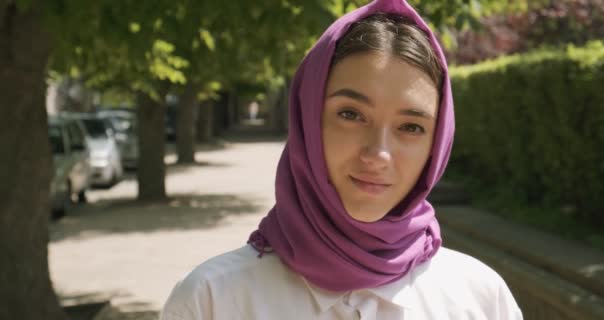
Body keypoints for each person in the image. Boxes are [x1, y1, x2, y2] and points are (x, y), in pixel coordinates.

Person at [161, 0, 523, 319]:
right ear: (308, 121)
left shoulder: (480, 301)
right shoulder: (212, 301)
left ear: (437, 143)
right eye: (350, 114)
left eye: (411, 127)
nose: (377, 154)